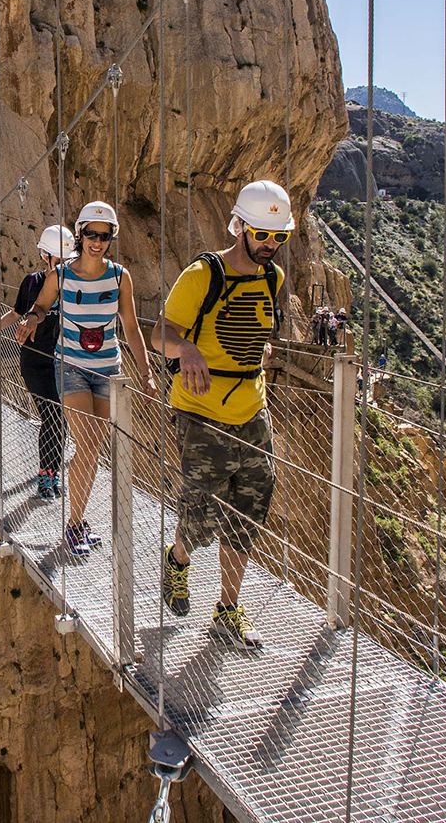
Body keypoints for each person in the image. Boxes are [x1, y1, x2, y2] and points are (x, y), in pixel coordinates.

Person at [158, 179, 292, 650]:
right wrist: (188, 349)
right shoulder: (201, 275)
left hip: (252, 410)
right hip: (199, 409)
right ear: (241, 228)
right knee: (199, 515)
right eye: (263, 235)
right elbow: (162, 334)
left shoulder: (271, 278)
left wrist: (260, 349)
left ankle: (228, 609)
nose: (270, 245)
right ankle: (177, 559)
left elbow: (255, 330)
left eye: (279, 237)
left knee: (248, 510)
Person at [14, 201, 155, 555]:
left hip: (108, 370)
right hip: (71, 367)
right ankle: (75, 524)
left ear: (111, 239)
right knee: (89, 445)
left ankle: (76, 521)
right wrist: (33, 319)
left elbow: (132, 327)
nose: (97, 241)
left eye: (104, 235)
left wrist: (147, 373)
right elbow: (42, 305)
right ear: (79, 234)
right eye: (91, 233)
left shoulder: (120, 276)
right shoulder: (59, 275)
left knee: (92, 449)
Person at [0, 225, 75, 500]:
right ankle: (46, 476)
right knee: (53, 416)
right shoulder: (33, 282)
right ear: (45, 256)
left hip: (65, 362)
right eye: (58, 259)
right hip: (35, 361)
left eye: (66, 260)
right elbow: (17, 313)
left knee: (61, 421)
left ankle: (53, 473)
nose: (62, 264)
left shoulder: (75, 284)